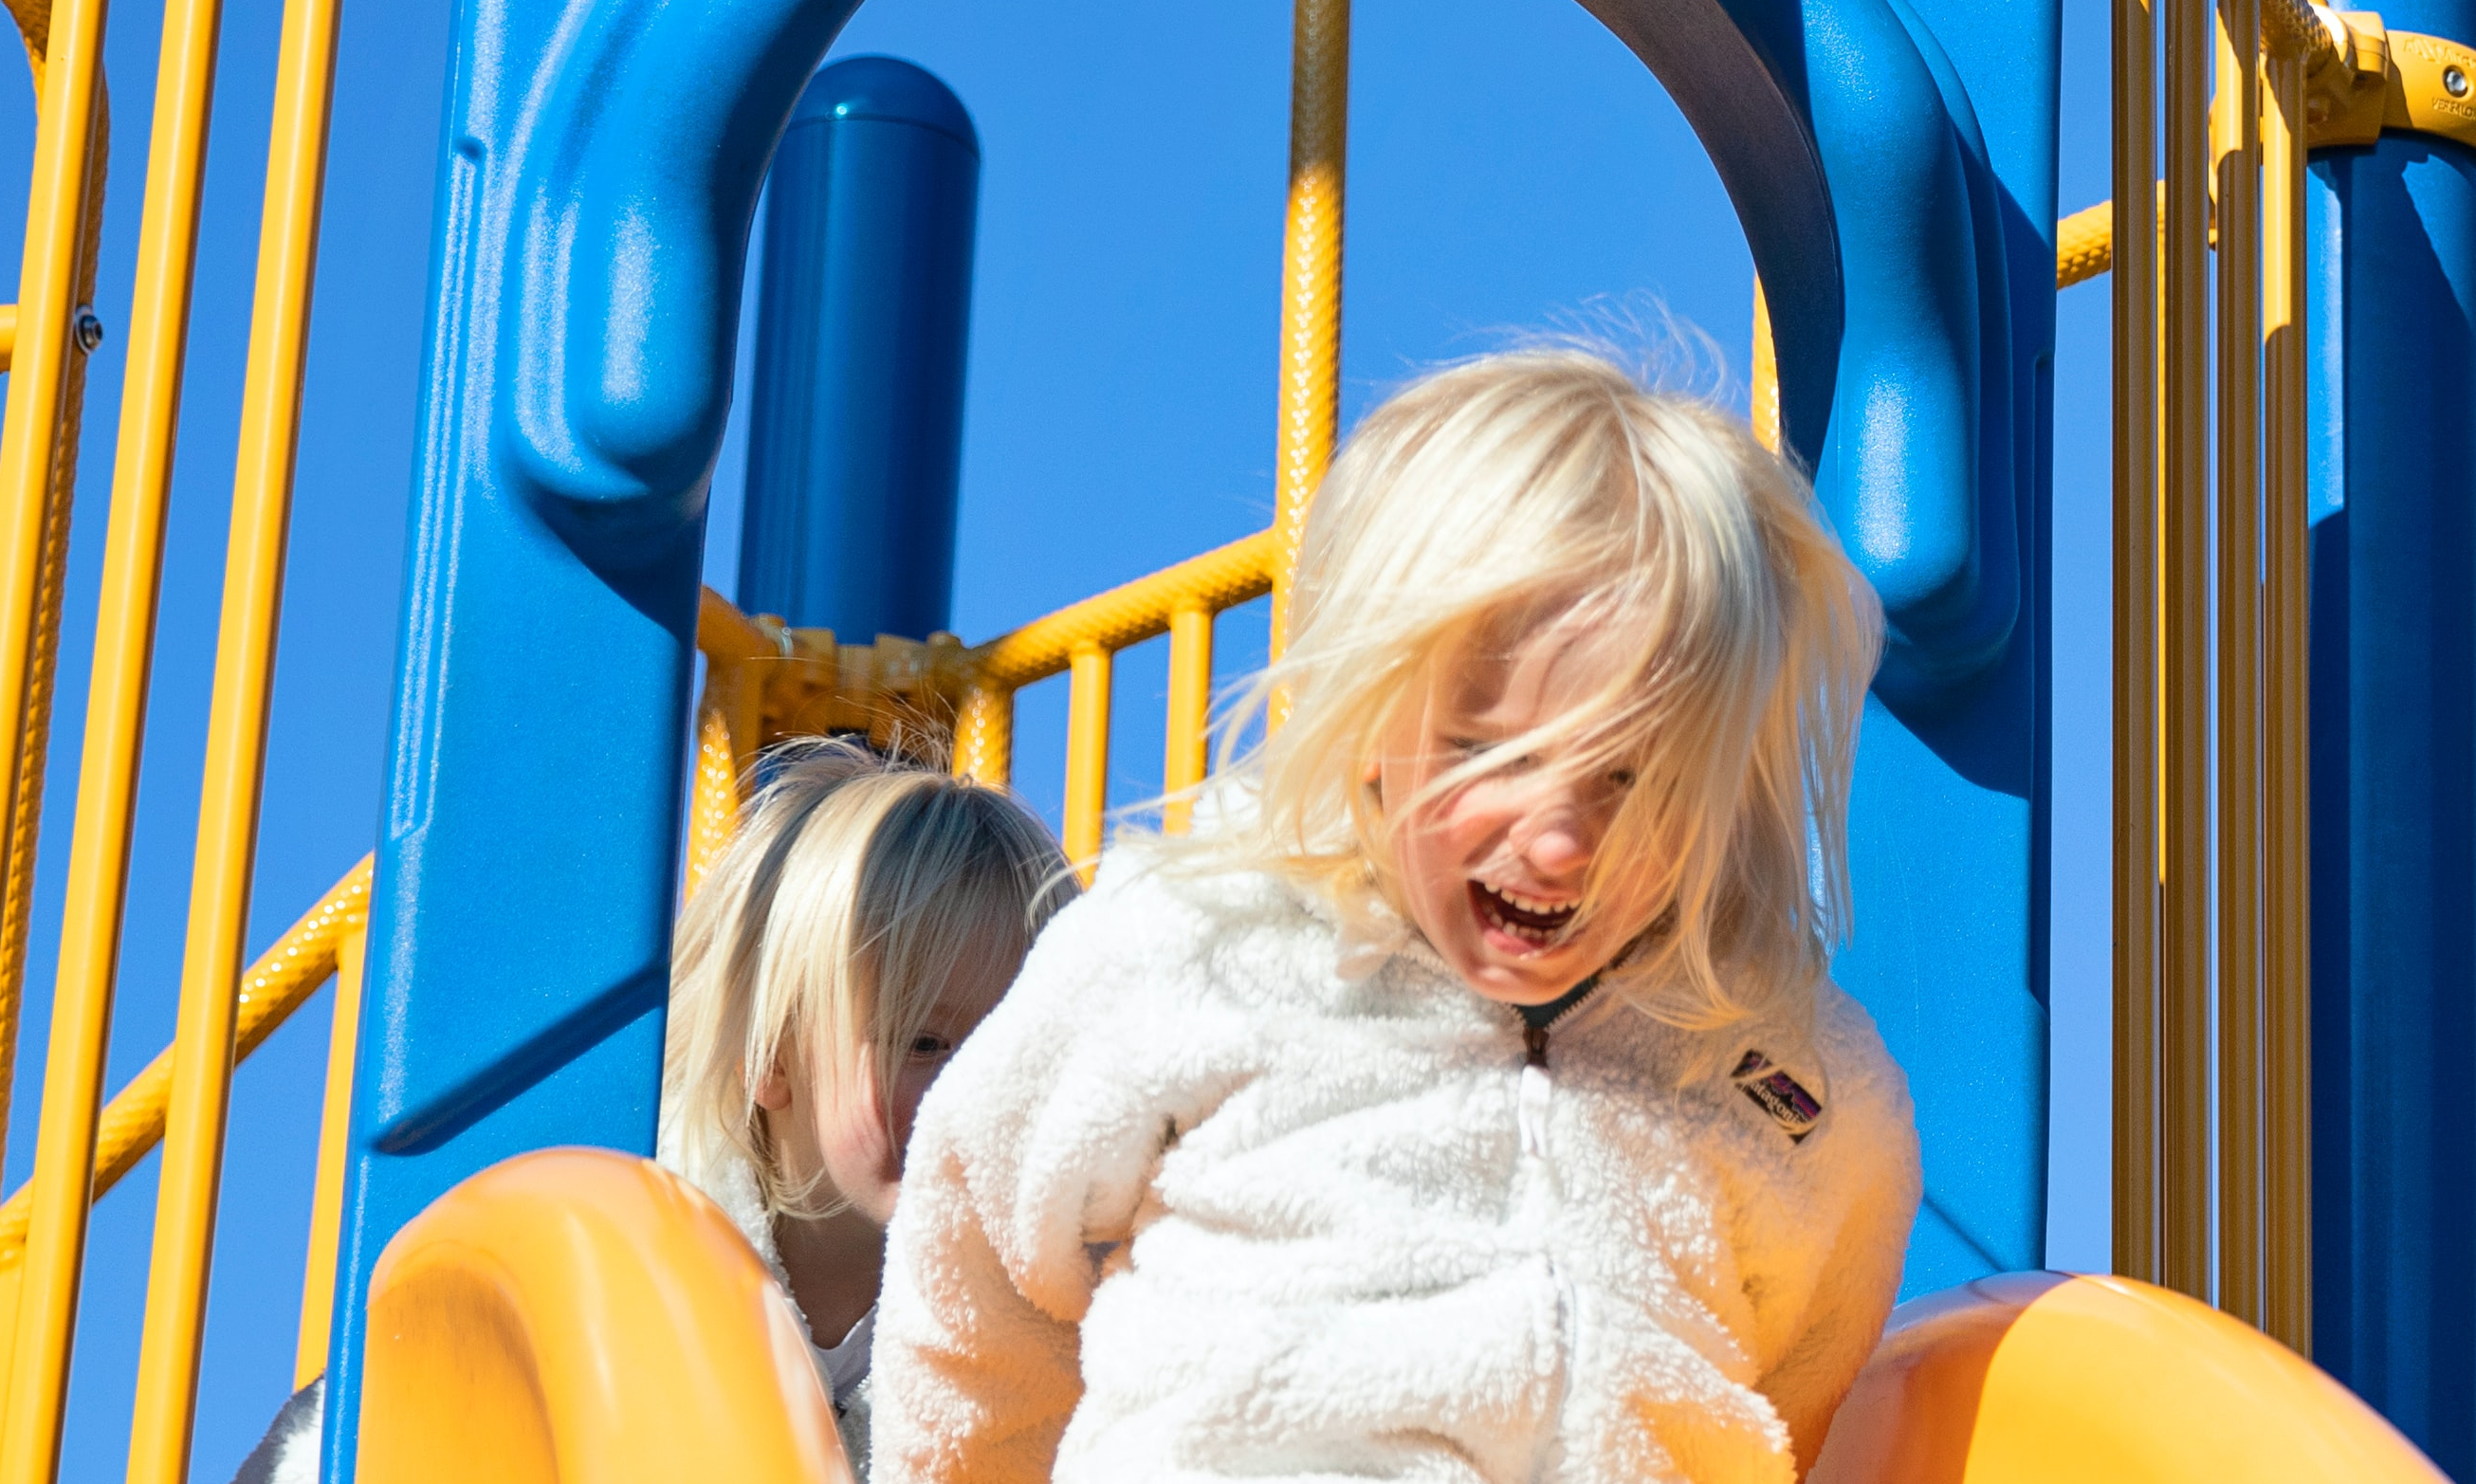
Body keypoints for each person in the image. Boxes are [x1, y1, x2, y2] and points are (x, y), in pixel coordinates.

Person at [862, 344, 1919, 1484]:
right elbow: (976, 1255)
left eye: (1633, 779)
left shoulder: (1784, 1067)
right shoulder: (1204, 944)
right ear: (1367, 712)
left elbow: (1809, 1374)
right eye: (1490, 751)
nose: (1560, 841)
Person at [229, 741, 1073, 1484]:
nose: (976, 1090)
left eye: (1013, 1047)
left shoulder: (1030, 1338)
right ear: (769, 1057)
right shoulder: (626, 1264)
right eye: (925, 1042)